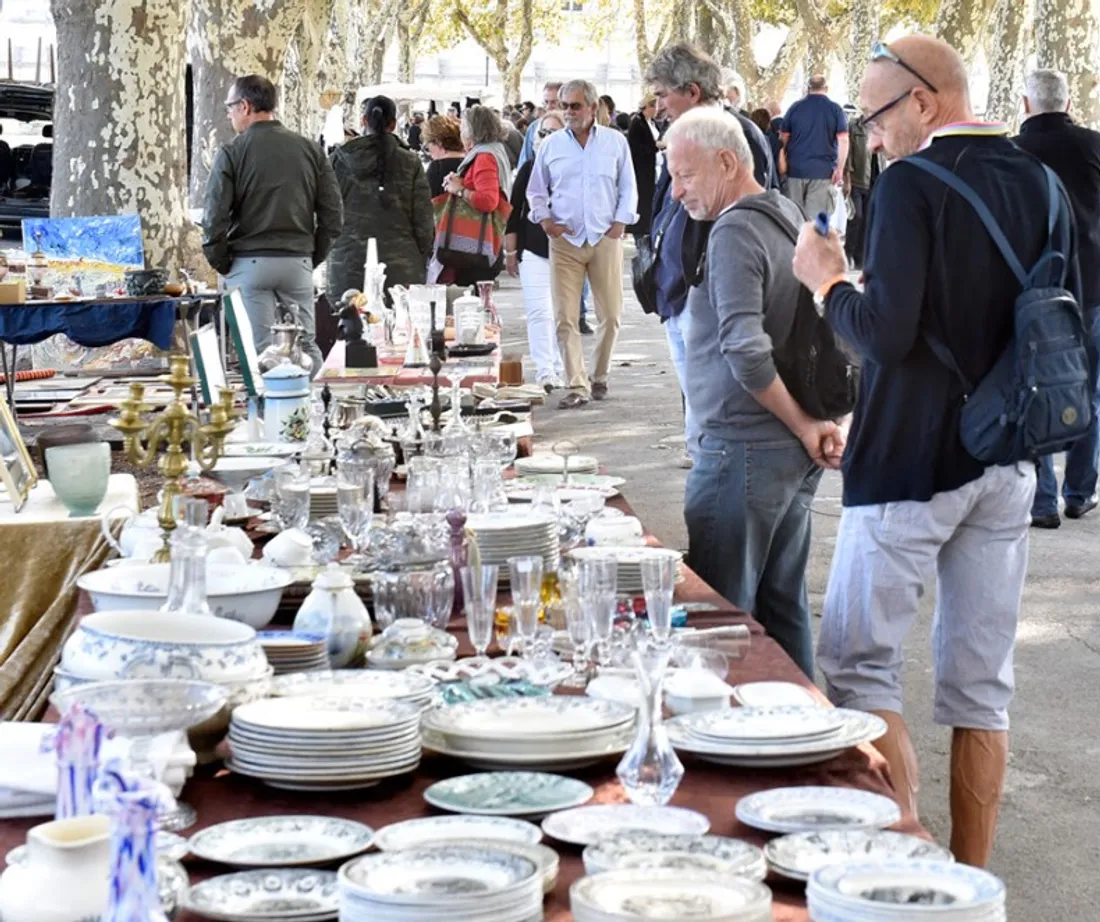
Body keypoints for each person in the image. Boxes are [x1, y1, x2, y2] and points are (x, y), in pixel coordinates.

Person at [792, 35, 1076, 868]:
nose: (867, 139)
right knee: (982, 687)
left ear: (923, 102)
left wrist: (827, 281)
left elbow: (882, 337)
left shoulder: (914, 183)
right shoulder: (1044, 180)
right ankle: (973, 881)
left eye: (873, 118)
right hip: (1010, 453)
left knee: (860, 670)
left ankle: (904, 870)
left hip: (911, 457)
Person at [666, 107, 840, 678]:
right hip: (777, 453)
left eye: (685, 175)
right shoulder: (785, 211)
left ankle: (744, 751)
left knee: (721, 623)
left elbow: (745, 349)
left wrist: (804, 425)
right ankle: (806, 742)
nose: (675, 191)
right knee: (782, 606)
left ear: (726, 162)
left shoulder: (737, 228)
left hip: (744, 451)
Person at [644, 41, 775, 468]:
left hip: (704, 290)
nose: (658, 105)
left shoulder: (733, 135)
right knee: (696, 391)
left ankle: (712, 460)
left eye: (664, 93)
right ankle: (701, 451)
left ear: (693, 91)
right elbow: (670, 202)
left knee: (716, 394)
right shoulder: (685, 135)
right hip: (679, 290)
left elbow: (746, 214)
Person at [202, 74, 342, 374]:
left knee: (262, 351)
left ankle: (272, 415)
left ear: (245, 106)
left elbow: (214, 218)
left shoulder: (232, 153)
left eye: (230, 107)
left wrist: (222, 262)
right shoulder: (309, 149)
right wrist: (311, 256)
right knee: (305, 345)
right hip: (297, 261)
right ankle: (313, 408)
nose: (228, 114)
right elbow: (333, 215)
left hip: (248, 262)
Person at [1015, 69, 1100, 528]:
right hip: (1096, 286)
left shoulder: (1011, 152)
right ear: (1067, 104)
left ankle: (1043, 500)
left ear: (1026, 105)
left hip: (1038, 292)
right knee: (1093, 391)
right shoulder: (1094, 145)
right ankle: (1080, 491)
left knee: (1036, 390)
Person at [527, 79, 638, 408]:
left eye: (575, 106)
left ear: (592, 107)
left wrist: (620, 223)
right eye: (564, 106)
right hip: (565, 241)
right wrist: (545, 220)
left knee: (612, 315)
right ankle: (576, 385)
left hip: (605, 237)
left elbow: (628, 186)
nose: (568, 112)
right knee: (565, 317)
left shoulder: (615, 143)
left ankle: (599, 375)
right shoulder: (550, 145)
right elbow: (536, 189)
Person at [327, 95, 434, 302]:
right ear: (393, 124)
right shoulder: (410, 163)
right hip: (403, 268)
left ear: (363, 121)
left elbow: (326, 214)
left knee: (349, 329)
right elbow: (424, 221)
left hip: (347, 265)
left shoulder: (338, 161)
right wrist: (422, 254)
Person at [504, 113, 567, 391]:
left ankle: (564, 366)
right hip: (533, 249)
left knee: (563, 313)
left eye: (554, 133)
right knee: (540, 311)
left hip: (568, 250)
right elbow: (513, 212)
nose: (546, 139)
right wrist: (510, 252)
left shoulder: (572, 168)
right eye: (542, 134)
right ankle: (545, 369)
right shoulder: (529, 168)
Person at [430, 104, 514, 287]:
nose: (460, 130)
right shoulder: (495, 151)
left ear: (473, 130)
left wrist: (459, 190)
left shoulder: (484, 156)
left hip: (475, 247)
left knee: (472, 304)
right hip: (483, 245)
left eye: (463, 126)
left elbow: (488, 201)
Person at [781, 75, 849, 218]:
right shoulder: (835, 110)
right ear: (826, 88)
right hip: (823, 172)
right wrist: (840, 169)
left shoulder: (795, 108)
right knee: (816, 225)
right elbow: (843, 140)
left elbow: (784, 137)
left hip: (795, 170)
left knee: (793, 220)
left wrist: (783, 160)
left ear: (808, 88)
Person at [627, 95, 660, 238]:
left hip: (654, 166)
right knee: (643, 200)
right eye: (653, 106)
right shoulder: (637, 123)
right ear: (646, 107)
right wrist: (655, 147)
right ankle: (640, 231)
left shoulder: (652, 123)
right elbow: (636, 147)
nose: (656, 110)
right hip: (641, 168)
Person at [844, 110, 872, 269]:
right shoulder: (854, 127)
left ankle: (860, 257)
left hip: (874, 179)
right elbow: (847, 153)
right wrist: (847, 176)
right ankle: (848, 251)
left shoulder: (881, 126)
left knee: (868, 219)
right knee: (856, 217)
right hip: (857, 179)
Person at [518, 81, 563, 168]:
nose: (549, 106)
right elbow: (525, 162)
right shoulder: (534, 127)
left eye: (554, 102)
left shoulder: (574, 127)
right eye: (546, 102)